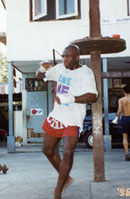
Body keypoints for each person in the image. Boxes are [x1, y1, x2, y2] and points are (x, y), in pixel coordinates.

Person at [36, 44, 98, 199]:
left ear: (76, 57)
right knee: (48, 150)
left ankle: (58, 190)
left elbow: (93, 96)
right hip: (57, 116)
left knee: (68, 152)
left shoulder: (85, 73)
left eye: (68, 56)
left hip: (73, 119)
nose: (64, 59)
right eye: (63, 56)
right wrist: (42, 69)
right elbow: (40, 76)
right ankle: (66, 178)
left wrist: (70, 98)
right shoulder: (59, 68)